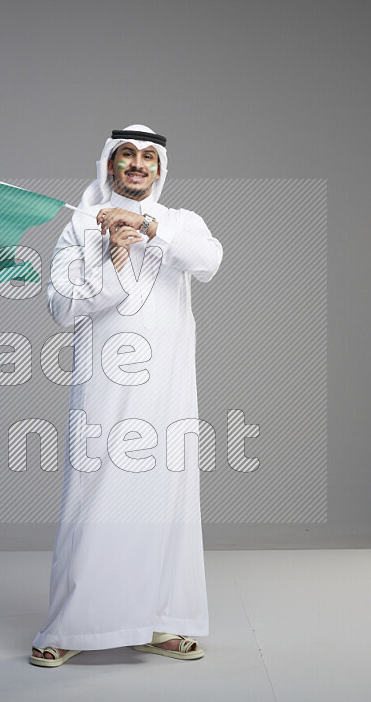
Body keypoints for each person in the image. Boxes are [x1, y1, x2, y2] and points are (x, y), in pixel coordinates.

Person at [30, 125, 223, 667]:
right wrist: (112, 252)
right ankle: (69, 627)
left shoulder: (181, 223)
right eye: (126, 156)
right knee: (93, 504)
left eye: (147, 157)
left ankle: (159, 623)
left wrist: (146, 227)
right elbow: (63, 309)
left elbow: (208, 262)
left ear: (159, 169)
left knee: (166, 506)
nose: (137, 165)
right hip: (104, 394)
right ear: (110, 166)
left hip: (168, 393)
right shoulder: (79, 227)